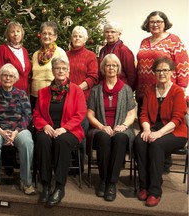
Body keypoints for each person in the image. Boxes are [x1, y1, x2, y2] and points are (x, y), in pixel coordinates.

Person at [136, 11, 189, 172]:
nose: (155, 24)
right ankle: (151, 164)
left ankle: (162, 164)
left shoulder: (174, 41)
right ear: (147, 24)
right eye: (152, 21)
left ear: (165, 23)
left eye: (158, 21)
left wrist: (181, 89)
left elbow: (183, 66)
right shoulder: (145, 41)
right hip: (145, 92)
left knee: (164, 125)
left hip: (167, 92)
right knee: (147, 127)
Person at [33, 56, 86, 207]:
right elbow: (36, 113)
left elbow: (80, 113)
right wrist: (44, 125)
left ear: (68, 70)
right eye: (57, 68)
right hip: (48, 128)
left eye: (64, 68)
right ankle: (45, 184)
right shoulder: (43, 92)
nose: (61, 71)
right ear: (53, 71)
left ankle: (59, 186)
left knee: (62, 141)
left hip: (70, 130)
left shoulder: (76, 91)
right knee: (42, 140)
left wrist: (64, 128)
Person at [134, 57, 187, 207]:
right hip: (152, 128)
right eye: (158, 70)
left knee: (157, 145)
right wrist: (146, 129)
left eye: (165, 70)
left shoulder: (177, 91)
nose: (161, 73)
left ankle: (155, 191)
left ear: (171, 72)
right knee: (139, 141)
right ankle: (144, 186)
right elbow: (143, 113)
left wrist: (158, 133)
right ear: (154, 73)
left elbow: (177, 119)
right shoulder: (150, 90)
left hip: (175, 132)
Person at [87, 53, 136, 201]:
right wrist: (102, 126)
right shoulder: (96, 90)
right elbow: (90, 114)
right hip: (100, 127)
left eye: (114, 65)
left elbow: (132, 113)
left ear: (118, 68)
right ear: (103, 68)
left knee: (120, 138)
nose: (111, 68)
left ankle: (112, 183)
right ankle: (103, 180)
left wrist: (123, 125)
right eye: (108, 65)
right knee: (103, 138)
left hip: (122, 127)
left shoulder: (126, 89)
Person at [0, 63, 36, 196]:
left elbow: (27, 116)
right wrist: (1, 132)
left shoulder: (21, 95)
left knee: (27, 142)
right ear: (0, 77)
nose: (7, 78)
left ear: (15, 78)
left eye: (11, 76)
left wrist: (15, 132)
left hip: (18, 130)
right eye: (5, 75)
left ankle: (26, 182)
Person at [66, 25, 99, 172]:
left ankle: (79, 165)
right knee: (66, 129)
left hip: (83, 99)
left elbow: (93, 77)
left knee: (81, 130)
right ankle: (66, 162)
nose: (77, 38)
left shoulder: (90, 55)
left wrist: (77, 89)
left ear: (85, 39)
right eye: (75, 36)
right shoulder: (65, 55)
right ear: (71, 38)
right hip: (66, 99)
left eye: (80, 36)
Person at [30, 21, 68, 110]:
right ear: (41, 35)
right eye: (44, 33)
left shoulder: (60, 53)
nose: (47, 36)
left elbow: (66, 75)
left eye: (50, 34)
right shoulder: (35, 54)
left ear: (55, 37)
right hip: (35, 96)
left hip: (52, 96)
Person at [0, 21, 31, 94]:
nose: (15, 34)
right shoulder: (3, 49)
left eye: (18, 31)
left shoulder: (24, 51)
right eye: (12, 32)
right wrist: (1, 94)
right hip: (8, 93)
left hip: (23, 94)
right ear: (8, 35)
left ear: (22, 34)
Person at [98, 21, 136, 90]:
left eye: (112, 32)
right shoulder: (102, 50)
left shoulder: (124, 51)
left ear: (119, 34)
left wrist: (127, 91)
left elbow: (131, 75)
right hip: (104, 87)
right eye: (107, 32)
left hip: (121, 88)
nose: (109, 34)